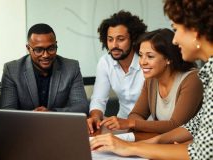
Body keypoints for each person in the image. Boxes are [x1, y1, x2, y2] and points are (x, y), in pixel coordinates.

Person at [90, 0, 213, 159]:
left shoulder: (194, 77)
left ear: (194, 31)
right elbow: (195, 125)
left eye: (177, 30)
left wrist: (131, 148)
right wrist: (156, 140)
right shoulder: (208, 73)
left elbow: (203, 152)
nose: (175, 40)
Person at [102, 29, 203, 134]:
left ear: (168, 58)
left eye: (150, 56)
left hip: (193, 147)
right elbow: (136, 114)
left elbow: (176, 125)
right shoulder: (151, 80)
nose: (142, 62)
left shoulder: (192, 79)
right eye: (141, 55)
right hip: (165, 142)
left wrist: (132, 123)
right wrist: (141, 125)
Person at [0, 23, 88, 113]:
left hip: (59, 126)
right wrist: (33, 116)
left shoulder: (71, 67)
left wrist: (51, 113)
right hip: (25, 126)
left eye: (51, 48)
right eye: (38, 50)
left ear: (56, 44)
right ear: (28, 48)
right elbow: (6, 110)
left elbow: (82, 107)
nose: (45, 55)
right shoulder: (11, 70)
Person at [88, 10, 147, 134]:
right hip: (121, 125)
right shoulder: (105, 62)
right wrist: (95, 117)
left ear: (134, 39)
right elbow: (99, 99)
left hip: (149, 125)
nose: (114, 45)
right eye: (110, 39)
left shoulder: (146, 61)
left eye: (121, 39)